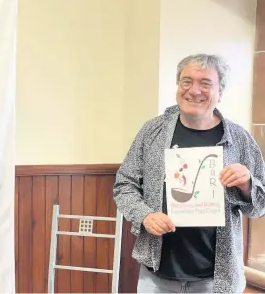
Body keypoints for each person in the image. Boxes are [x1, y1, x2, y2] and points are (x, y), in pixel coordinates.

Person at [113, 54, 265, 293]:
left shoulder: (239, 139)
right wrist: (144, 215)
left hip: (216, 281)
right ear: (177, 87)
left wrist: (247, 185)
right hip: (156, 278)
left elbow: (259, 207)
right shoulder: (153, 130)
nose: (194, 90)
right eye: (186, 81)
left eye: (205, 83)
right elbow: (124, 184)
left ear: (220, 92)